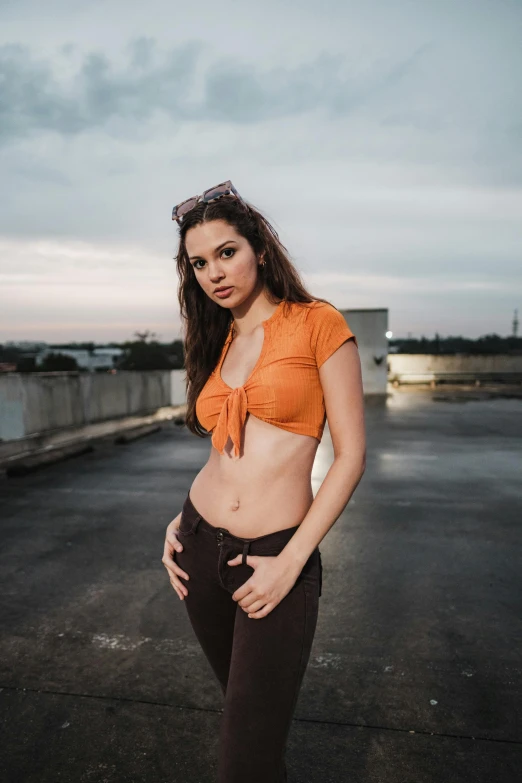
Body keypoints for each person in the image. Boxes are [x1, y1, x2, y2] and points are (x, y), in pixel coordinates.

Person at [162, 180, 366, 782]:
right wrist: (180, 521)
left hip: (274, 556)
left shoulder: (317, 323)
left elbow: (350, 457)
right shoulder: (218, 337)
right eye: (198, 263)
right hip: (199, 548)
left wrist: (292, 562)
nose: (214, 273)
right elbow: (224, 454)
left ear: (258, 247)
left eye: (226, 252)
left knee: (243, 756)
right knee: (252, 736)